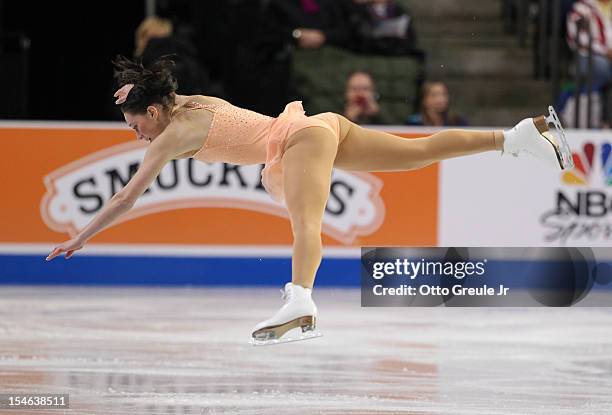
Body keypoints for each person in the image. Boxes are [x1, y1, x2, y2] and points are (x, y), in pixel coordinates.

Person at [46, 56, 571, 345]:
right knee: (415, 156)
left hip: (299, 139)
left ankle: (300, 299)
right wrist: (134, 86)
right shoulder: (184, 104)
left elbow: (127, 195)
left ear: (155, 113)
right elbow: (156, 88)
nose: (135, 132)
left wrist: (81, 237)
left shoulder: (169, 135)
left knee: (305, 220)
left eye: (135, 122)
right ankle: (518, 137)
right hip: (320, 126)